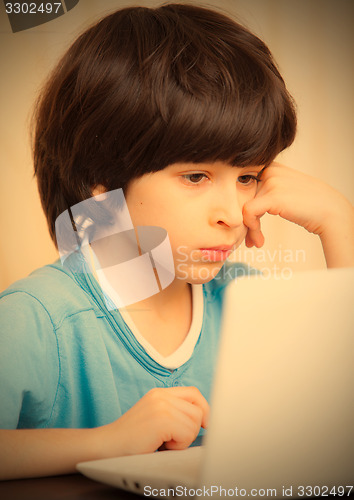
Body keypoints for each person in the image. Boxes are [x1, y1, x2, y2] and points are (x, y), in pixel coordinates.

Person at [0, 3, 353, 481]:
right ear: (101, 178)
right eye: (195, 176)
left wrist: (339, 221)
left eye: (247, 177)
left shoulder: (249, 301)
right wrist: (109, 442)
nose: (231, 214)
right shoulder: (37, 317)